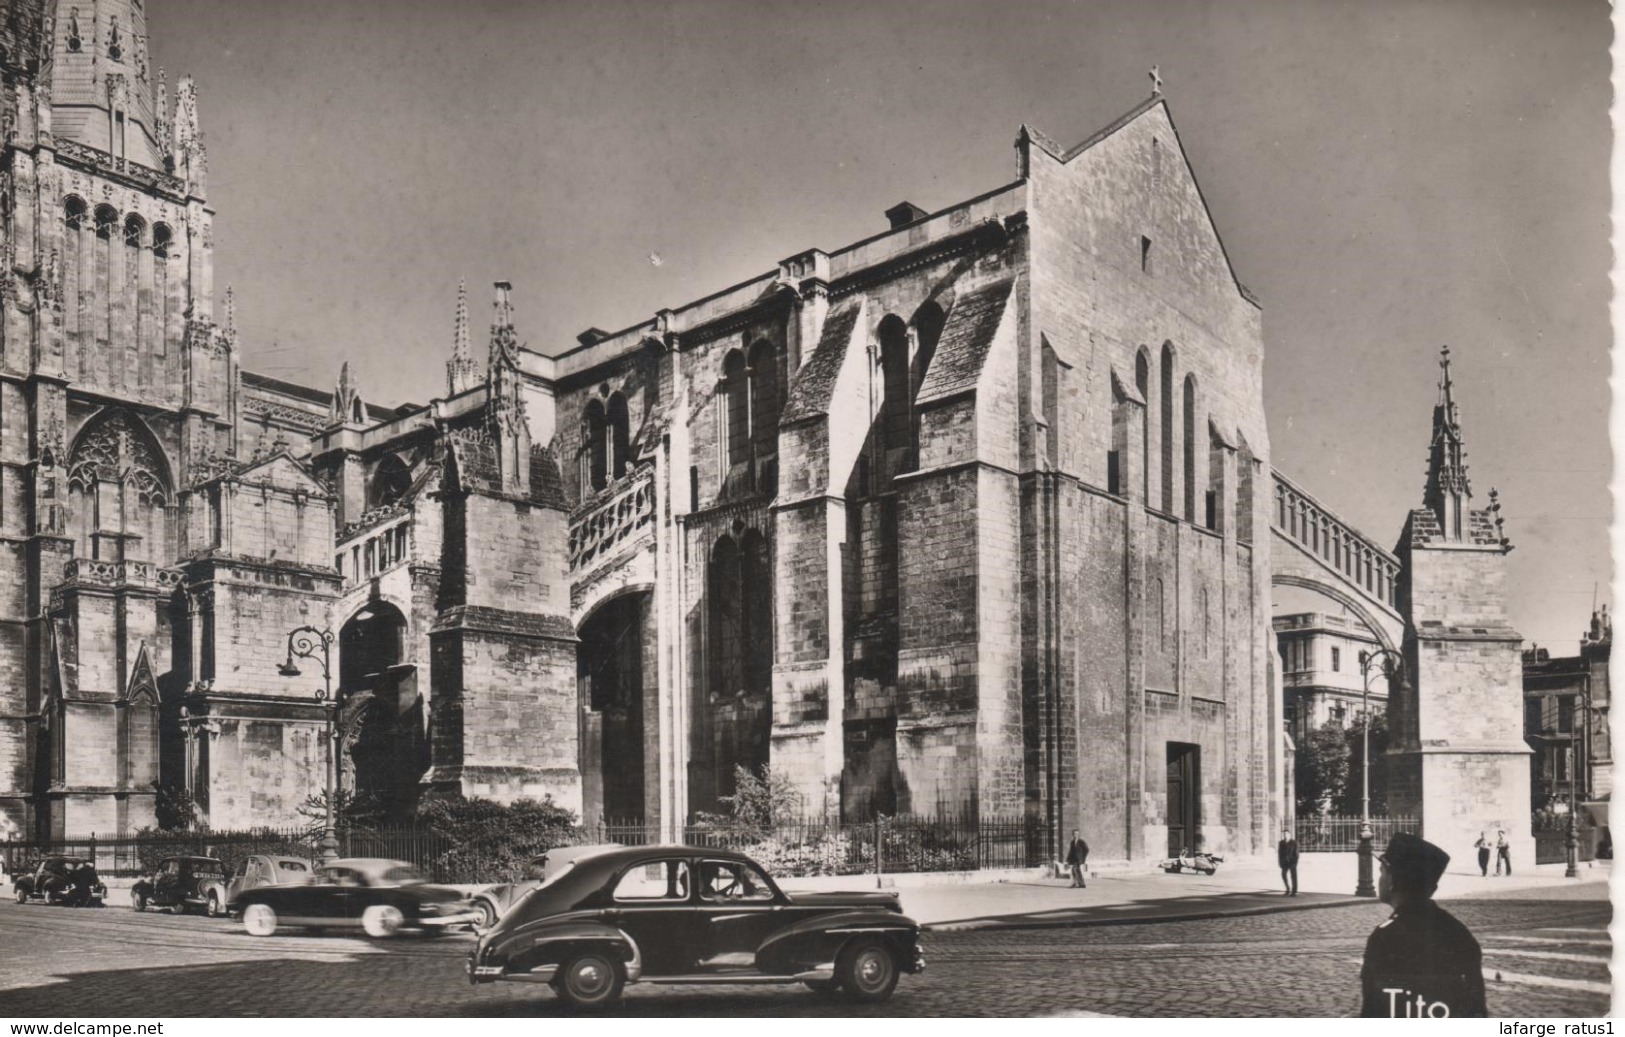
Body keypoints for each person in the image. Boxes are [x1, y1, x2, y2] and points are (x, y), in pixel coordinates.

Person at [1359, 833, 1487, 1018]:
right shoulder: (1460, 933)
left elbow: (1375, 1012)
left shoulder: (1385, 937)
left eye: (1382, 872)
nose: (1380, 879)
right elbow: (1476, 1011)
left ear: (1392, 880)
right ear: (1432, 889)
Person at [1277, 830, 1300, 896]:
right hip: (1284, 862)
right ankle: (1287, 888)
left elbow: (1297, 854)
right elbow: (1280, 853)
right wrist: (1280, 862)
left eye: (1286, 834)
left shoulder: (1294, 842)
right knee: (1283, 874)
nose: (1285, 835)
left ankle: (1294, 891)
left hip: (1292, 862)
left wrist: (1295, 862)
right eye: (1284, 834)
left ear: (1289, 835)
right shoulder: (1281, 843)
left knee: (1293, 876)